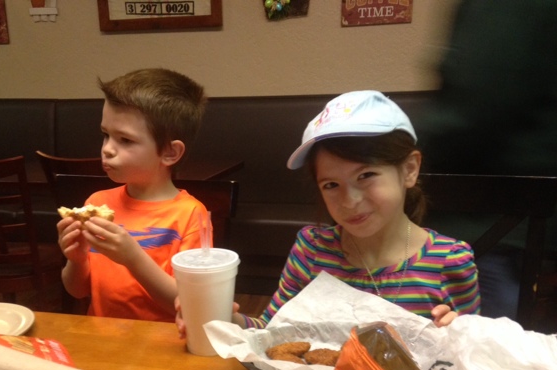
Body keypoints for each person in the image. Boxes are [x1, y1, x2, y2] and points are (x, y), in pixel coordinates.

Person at [175, 90, 481, 336]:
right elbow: (271, 332)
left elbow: (472, 365)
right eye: (331, 184)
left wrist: (462, 338)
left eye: (366, 176)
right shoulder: (313, 250)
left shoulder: (449, 262)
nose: (349, 200)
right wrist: (225, 321)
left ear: (410, 169)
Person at [417, 0, 557, 319]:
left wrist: (402, 158)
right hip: (527, 225)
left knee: (469, 343)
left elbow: (473, 109)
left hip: (494, 223)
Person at [58, 68, 209, 321]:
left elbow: (188, 305)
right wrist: (76, 259)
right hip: (102, 336)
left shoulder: (191, 215)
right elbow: (77, 290)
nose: (107, 149)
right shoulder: (97, 203)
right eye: (106, 135)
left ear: (170, 153)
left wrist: (133, 258)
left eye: (125, 140)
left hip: (163, 341)